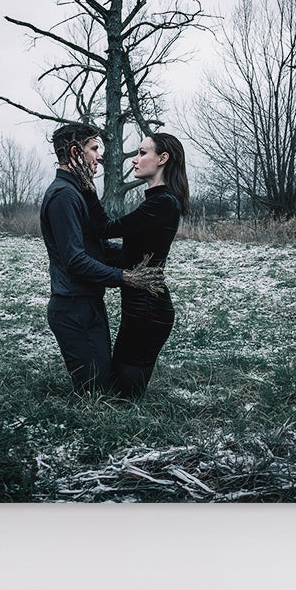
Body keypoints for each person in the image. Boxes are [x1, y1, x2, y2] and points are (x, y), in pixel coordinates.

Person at [36, 124, 163, 392]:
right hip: (72, 308)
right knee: (96, 395)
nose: (100, 156)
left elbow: (99, 248)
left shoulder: (78, 192)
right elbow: (75, 260)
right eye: (94, 149)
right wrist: (126, 278)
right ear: (75, 152)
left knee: (111, 384)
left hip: (89, 304)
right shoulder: (63, 196)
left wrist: (141, 258)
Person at [105, 131, 188, 398]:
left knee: (125, 398)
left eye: (142, 153)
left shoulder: (163, 203)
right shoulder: (155, 201)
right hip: (140, 306)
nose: (135, 159)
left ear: (163, 158)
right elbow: (130, 254)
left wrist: (84, 191)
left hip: (149, 310)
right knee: (120, 389)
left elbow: (109, 228)